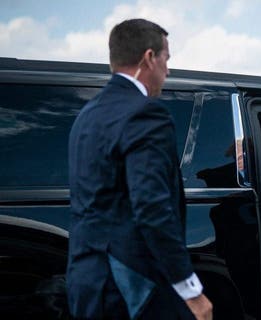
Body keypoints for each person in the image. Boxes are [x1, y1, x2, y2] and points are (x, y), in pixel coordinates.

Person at [67, 19, 212, 320]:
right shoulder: (145, 112)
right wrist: (191, 291)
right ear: (149, 58)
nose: (168, 70)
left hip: (86, 281)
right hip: (133, 285)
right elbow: (152, 207)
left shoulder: (87, 114)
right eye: (166, 59)